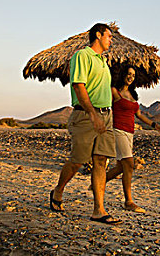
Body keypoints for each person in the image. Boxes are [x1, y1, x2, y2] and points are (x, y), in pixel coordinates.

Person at [49, 23, 121, 225]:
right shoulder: (82, 56)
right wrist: (92, 114)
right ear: (98, 35)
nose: (111, 40)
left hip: (106, 116)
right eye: (109, 36)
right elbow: (79, 87)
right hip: (86, 116)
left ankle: (99, 210)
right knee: (77, 161)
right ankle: (58, 190)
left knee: (101, 161)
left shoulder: (104, 62)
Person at [106, 66, 160, 213]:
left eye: (133, 75)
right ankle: (128, 201)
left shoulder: (133, 95)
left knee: (121, 167)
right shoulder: (114, 91)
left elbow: (139, 115)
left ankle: (97, 184)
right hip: (118, 129)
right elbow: (105, 107)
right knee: (129, 164)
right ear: (123, 75)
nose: (130, 77)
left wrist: (154, 124)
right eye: (128, 73)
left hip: (130, 132)